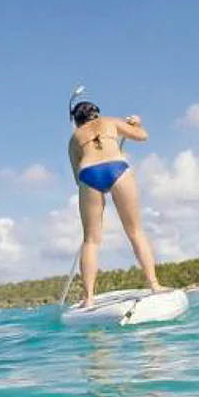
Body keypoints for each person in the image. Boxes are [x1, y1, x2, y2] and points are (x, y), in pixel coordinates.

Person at [67, 92, 166, 307]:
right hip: (117, 168)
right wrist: (138, 123)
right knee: (136, 231)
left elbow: (77, 177)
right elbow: (142, 136)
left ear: (76, 121)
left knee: (91, 240)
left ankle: (89, 298)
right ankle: (154, 285)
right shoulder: (110, 121)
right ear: (96, 114)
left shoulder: (74, 139)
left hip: (88, 174)